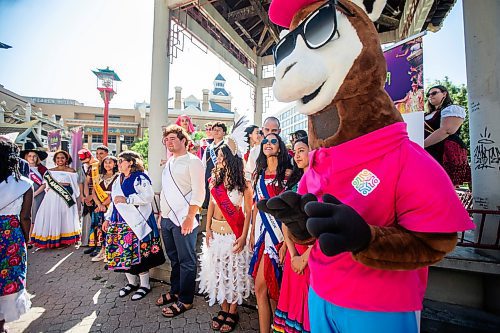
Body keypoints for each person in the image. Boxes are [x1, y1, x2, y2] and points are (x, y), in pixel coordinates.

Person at [198, 141, 253, 333]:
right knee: (218, 272)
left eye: (221, 156)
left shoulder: (244, 184)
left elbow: (249, 212)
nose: (218, 159)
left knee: (234, 273)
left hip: (233, 235)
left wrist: (244, 236)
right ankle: (223, 308)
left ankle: (232, 311)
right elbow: (212, 205)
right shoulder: (216, 181)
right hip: (216, 234)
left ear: (230, 158)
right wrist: (208, 229)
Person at [157, 125, 205, 318]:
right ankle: (175, 290)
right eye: (166, 139)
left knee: (186, 260)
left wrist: (189, 217)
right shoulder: (169, 162)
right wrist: (162, 213)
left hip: (185, 218)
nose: (169, 142)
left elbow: (199, 192)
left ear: (184, 140)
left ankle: (186, 299)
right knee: (174, 258)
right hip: (168, 218)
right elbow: (166, 190)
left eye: (172, 139)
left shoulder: (193, 161)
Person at [104, 151, 165, 300]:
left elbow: (148, 197)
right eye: (118, 161)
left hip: (137, 221)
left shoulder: (140, 177)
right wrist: (107, 218)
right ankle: (131, 283)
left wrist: (127, 199)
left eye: (121, 161)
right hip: (119, 221)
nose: (118, 164)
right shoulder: (118, 178)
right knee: (124, 254)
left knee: (139, 254)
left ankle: (145, 285)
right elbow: (114, 200)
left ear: (130, 162)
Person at [249, 133, 292, 333]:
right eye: (265, 141)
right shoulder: (258, 174)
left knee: (273, 290)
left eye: (273, 141)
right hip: (261, 236)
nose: (268, 143)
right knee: (263, 288)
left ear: (280, 147)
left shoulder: (288, 175)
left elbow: (291, 210)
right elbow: (256, 206)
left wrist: (286, 243)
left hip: (281, 237)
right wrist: (250, 234)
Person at [273, 137, 311, 333]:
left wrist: (304, 257)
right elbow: (286, 220)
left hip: (312, 255)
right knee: (292, 300)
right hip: (293, 251)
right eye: (295, 151)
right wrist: (291, 251)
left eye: (302, 150)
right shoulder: (296, 183)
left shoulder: (323, 182)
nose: (297, 155)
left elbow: (323, 225)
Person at [0, 140, 33, 332]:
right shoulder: (22, 184)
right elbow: (25, 217)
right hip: (10, 235)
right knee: (7, 278)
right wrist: (26, 239)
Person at [32, 150, 80, 249]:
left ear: (66, 159)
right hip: (52, 197)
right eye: (58, 158)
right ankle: (51, 239)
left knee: (64, 217)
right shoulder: (50, 171)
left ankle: (64, 240)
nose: (60, 160)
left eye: (62, 158)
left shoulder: (72, 171)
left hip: (66, 197)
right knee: (52, 215)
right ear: (55, 160)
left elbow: (75, 186)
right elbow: (46, 184)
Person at [424, 85, 471, 186]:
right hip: (428, 152)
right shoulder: (424, 114)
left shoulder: (452, 109)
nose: (430, 96)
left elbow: (447, 130)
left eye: (434, 93)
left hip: (445, 150)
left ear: (444, 94)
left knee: (443, 185)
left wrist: (421, 145)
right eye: (428, 94)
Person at [90, 155, 119, 263]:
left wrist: (103, 204)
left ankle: (111, 252)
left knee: (111, 229)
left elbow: (115, 194)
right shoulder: (99, 176)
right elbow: (94, 192)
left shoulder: (118, 176)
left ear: (115, 164)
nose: (107, 164)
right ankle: (102, 250)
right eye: (105, 162)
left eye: (110, 162)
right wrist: (99, 204)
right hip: (100, 207)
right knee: (100, 229)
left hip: (112, 206)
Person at [20, 142, 48, 245]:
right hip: (23, 195)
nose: (32, 158)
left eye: (34, 156)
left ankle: (32, 237)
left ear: (37, 158)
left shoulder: (42, 169)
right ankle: (26, 237)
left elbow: (45, 183)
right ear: (26, 157)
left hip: (38, 195)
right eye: (30, 156)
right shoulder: (21, 168)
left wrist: (35, 193)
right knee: (24, 215)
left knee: (35, 216)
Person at [245, 117, 282, 185]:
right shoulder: (254, 152)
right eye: (267, 130)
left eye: (274, 130)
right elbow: (248, 174)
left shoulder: (286, 152)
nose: (270, 133)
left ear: (279, 131)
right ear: (262, 130)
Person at [87, 146, 109, 253]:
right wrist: (89, 196)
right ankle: (93, 244)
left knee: (103, 224)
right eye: (97, 154)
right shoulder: (93, 167)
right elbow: (88, 182)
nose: (98, 156)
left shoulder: (110, 166)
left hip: (106, 199)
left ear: (107, 154)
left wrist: (102, 203)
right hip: (95, 198)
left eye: (101, 153)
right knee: (94, 223)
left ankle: (102, 247)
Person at [202, 121, 227, 209]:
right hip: (209, 177)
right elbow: (203, 165)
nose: (216, 132)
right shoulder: (208, 148)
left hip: (223, 178)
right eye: (214, 130)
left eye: (219, 130)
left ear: (224, 132)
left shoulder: (227, 146)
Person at [78, 148, 98, 250]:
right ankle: (86, 241)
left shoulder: (97, 166)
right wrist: (84, 196)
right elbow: (83, 182)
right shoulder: (83, 167)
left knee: (96, 220)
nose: (86, 162)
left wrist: (91, 196)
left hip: (97, 196)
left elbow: (96, 183)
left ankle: (95, 243)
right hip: (87, 196)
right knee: (86, 217)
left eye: (87, 160)